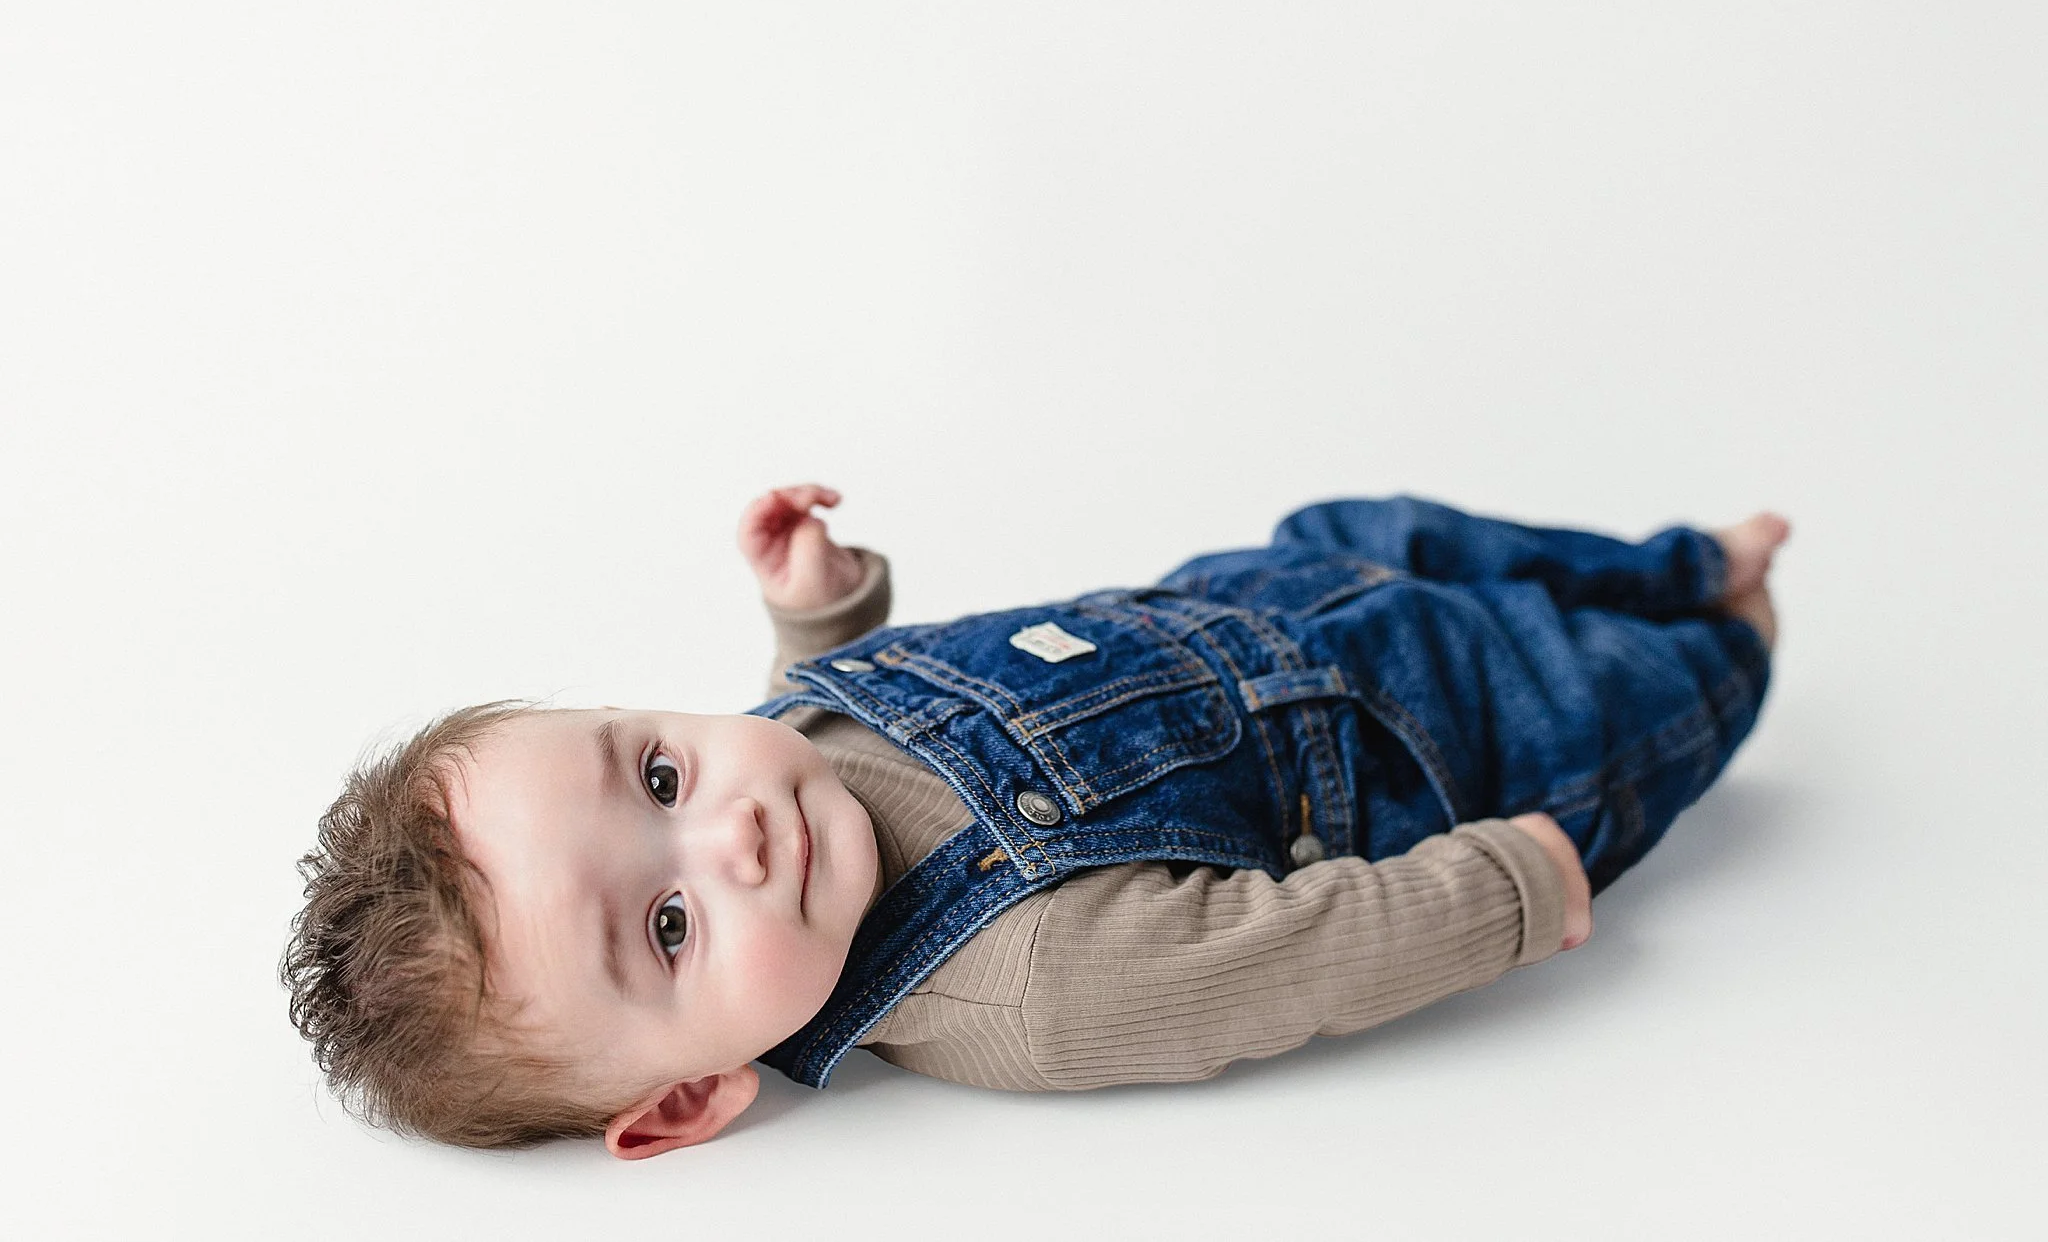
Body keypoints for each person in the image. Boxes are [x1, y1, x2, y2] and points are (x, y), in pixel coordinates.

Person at [282, 487, 1788, 1159]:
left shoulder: (782, 767)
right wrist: (1506, 892)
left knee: (1377, 527)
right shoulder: (1029, 984)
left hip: (1253, 596)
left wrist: (821, 608)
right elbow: (1288, 963)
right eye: (668, 930)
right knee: (1615, 692)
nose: (730, 838)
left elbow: (811, 713)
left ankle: (1671, 556)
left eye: (658, 778)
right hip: (1442, 744)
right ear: (691, 1098)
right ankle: (1732, 634)